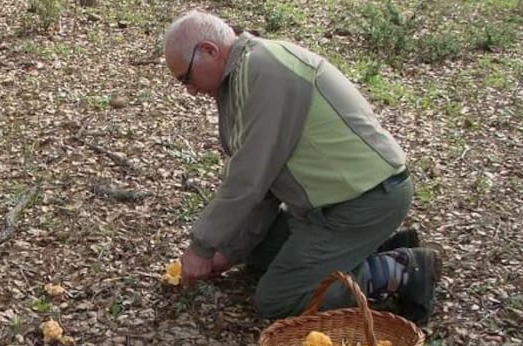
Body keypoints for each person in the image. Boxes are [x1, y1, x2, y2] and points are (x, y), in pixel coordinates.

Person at [162, 10, 440, 324]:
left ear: (210, 51)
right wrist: (227, 251)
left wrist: (201, 247)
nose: (190, 89)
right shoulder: (241, 75)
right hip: (327, 206)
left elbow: (248, 179)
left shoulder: (264, 72)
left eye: (186, 78)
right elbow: (265, 186)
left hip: (364, 201)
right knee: (254, 249)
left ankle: (400, 268)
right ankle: (366, 249)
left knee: (278, 297)